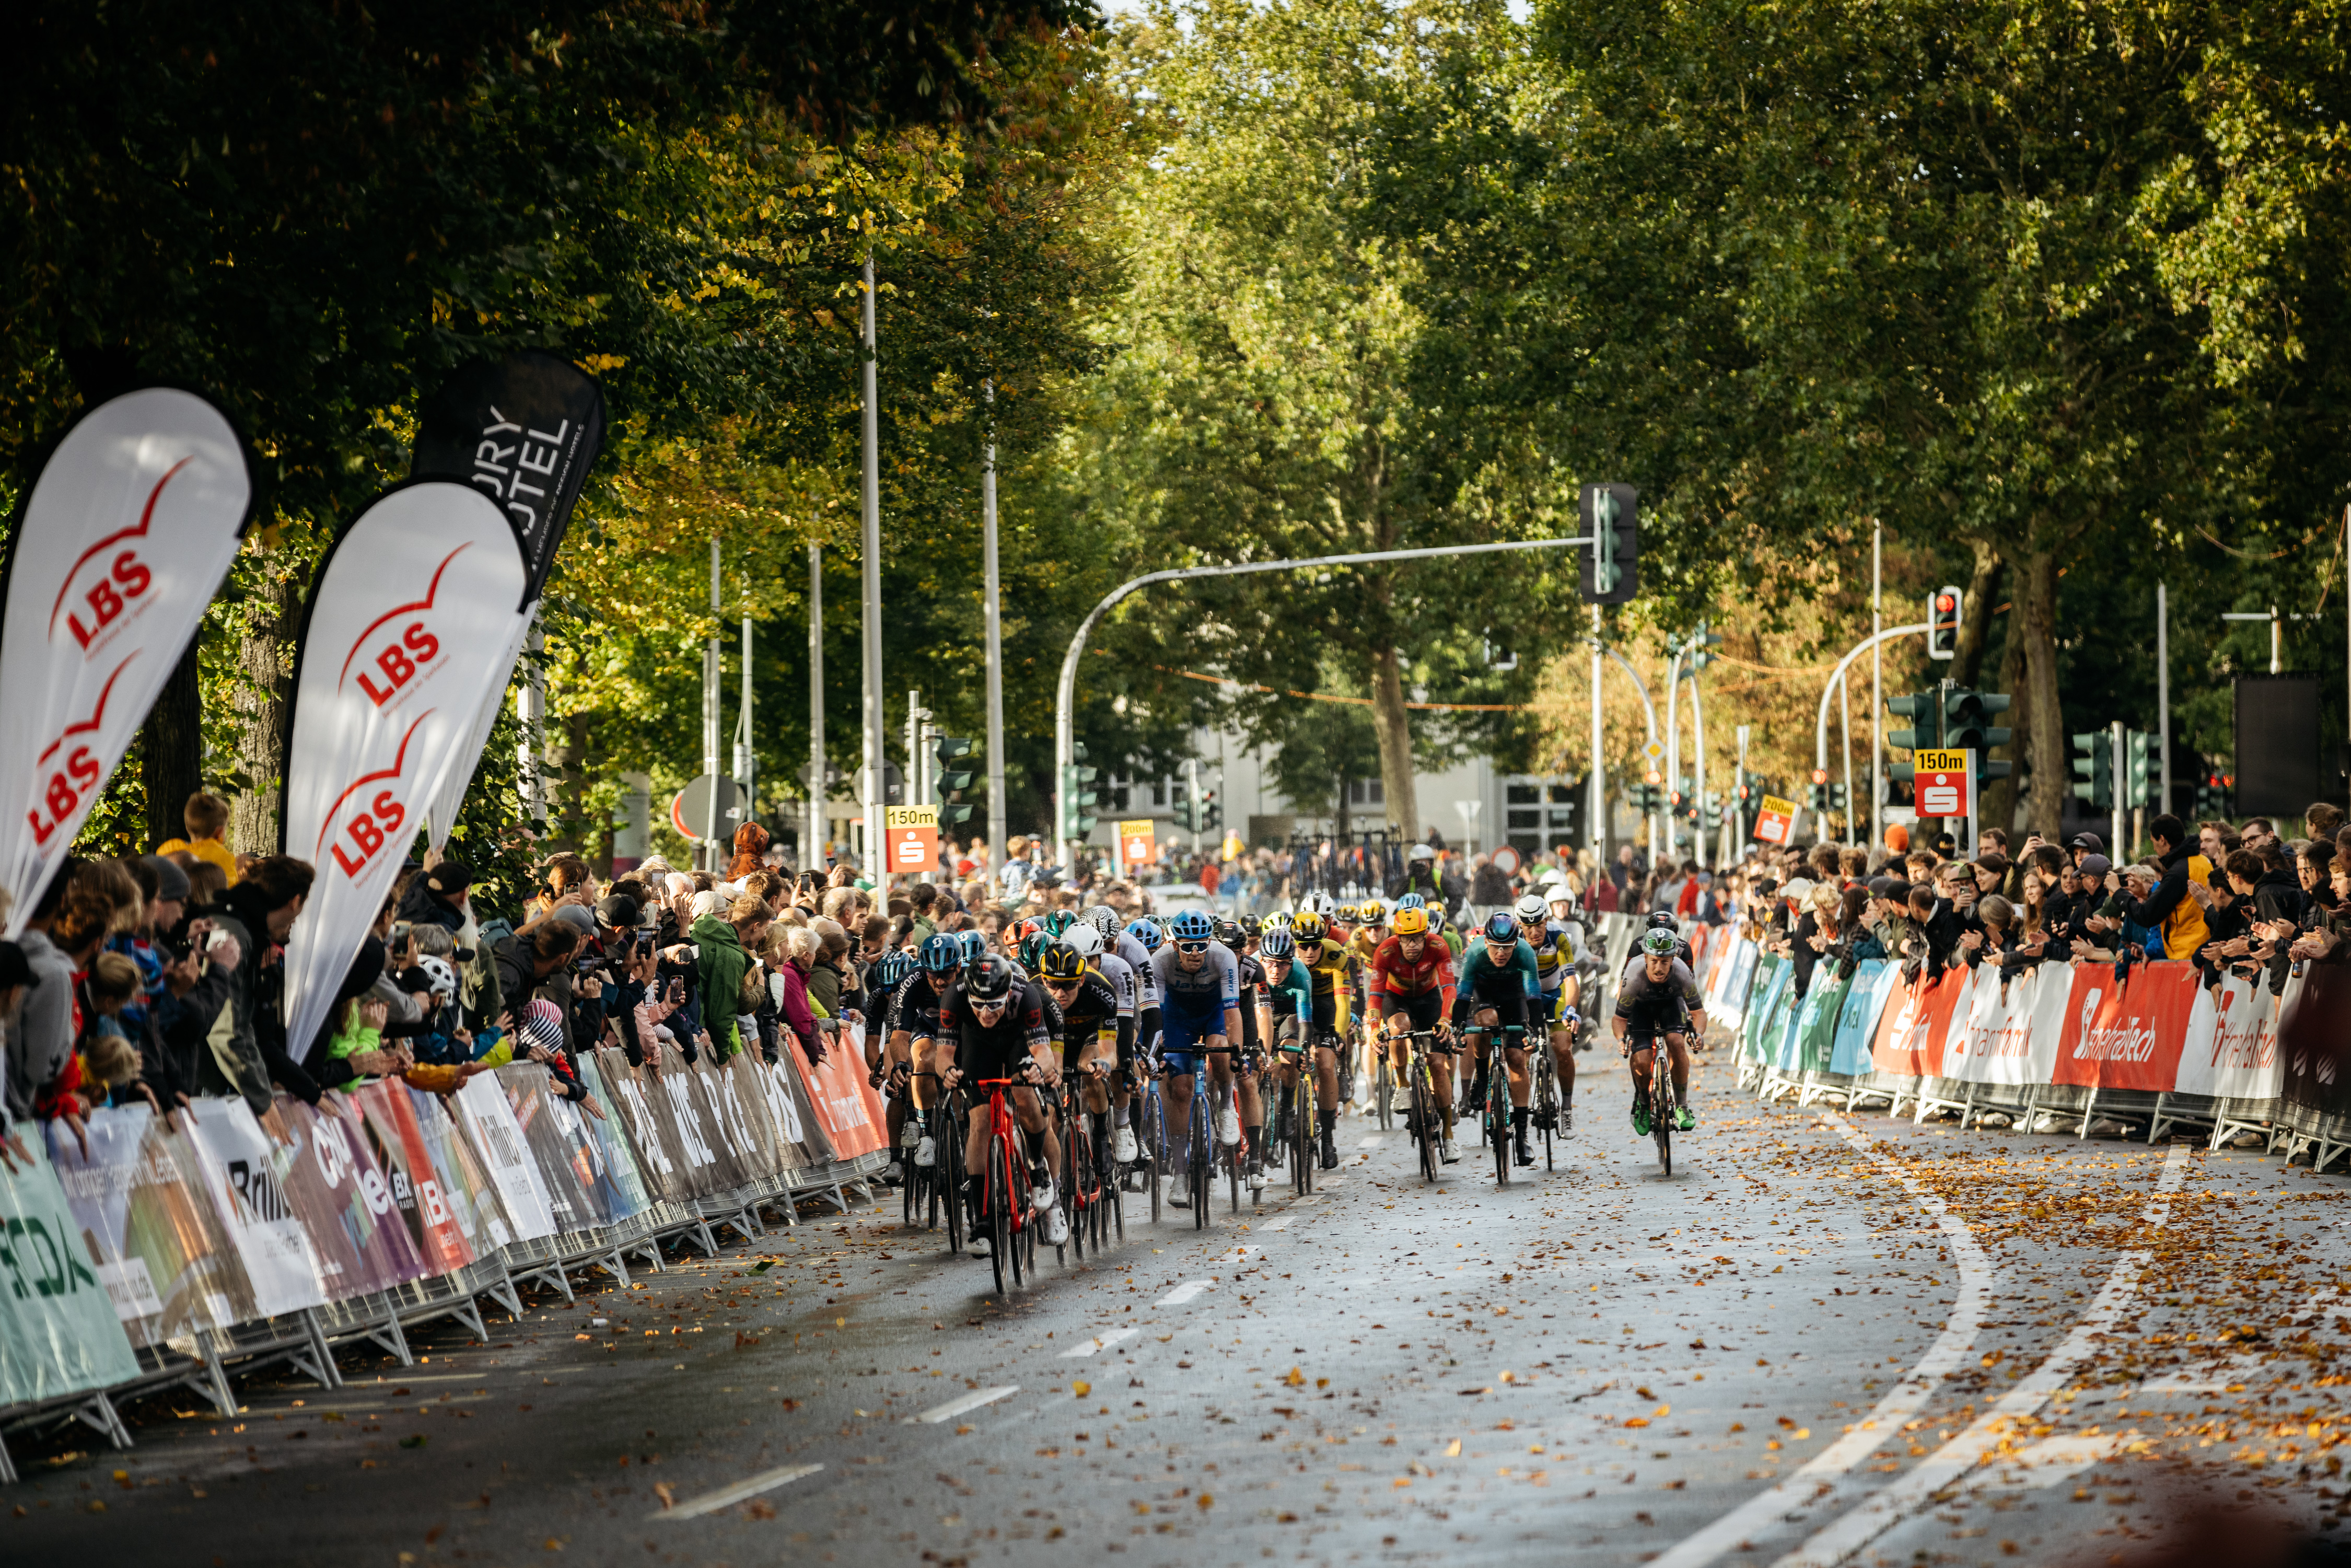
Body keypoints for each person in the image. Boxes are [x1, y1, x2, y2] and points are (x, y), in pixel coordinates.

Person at [936, 954, 1066, 1249]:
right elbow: (943, 1055)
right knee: (980, 1121)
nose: (985, 1013)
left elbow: (1044, 1053)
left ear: (1008, 994)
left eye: (994, 1004)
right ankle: (982, 1219)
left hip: (1016, 1040)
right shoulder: (954, 997)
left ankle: (1037, 1166)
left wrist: (1038, 1070)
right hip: (978, 1046)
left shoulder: (1027, 995)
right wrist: (949, 1072)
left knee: (1024, 1095)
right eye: (978, 1004)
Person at [1149, 909, 1249, 1205]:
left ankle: (1227, 1106)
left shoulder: (1223, 957)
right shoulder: (1160, 962)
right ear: (1174, 944)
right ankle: (1180, 1173)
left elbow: (1232, 1014)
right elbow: (1155, 1014)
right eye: (1188, 945)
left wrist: (1237, 1053)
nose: (1196, 953)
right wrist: (1156, 1052)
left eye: (1202, 945)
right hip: (1177, 1019)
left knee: (1220, 1050)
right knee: (1181, 1089)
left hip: (1212, 1015)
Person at [1448, 912, 1539, 1164]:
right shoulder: (1475, 954)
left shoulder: (1526, 953)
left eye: (1508, 947)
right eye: (1496, 947)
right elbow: (1463, 997)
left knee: (1517, 1059)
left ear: (1516, 943)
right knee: (1486, 1022)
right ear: (1486, 942)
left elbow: (1533, 997)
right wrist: (1457, 1028)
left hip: (1514, 996)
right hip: (1484, 993)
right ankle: (1481, 1079)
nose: (1501, 953)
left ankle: (1522, 1136)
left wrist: (1536, 1029)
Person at [1613, 928, 1705, 1136]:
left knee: (1677, 1043)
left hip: (1670, 1005)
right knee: (1643, 1060)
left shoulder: (1682, 972)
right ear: (1645, 957)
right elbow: (1619, 1019)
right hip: (1641, 1009)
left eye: (1665, 962)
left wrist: (1698, 1034)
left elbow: (1699, 1013)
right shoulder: (1634, 974)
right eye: (1654, 961)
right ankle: (1644, 1104)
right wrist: (1621, 1039)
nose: (1658, 967)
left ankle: (1682, 1106)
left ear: (1673, 959)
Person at [154, 791, 238, 884]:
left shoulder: (168, 850)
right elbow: (231, 887)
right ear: (219, 832)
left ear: (187, 826)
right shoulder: (223, 857)